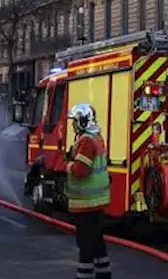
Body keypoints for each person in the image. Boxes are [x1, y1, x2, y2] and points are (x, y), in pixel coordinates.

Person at [64, 103, 111, 279]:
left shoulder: (86, 141)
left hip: (86, 205)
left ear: (83, 121)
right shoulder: (96, 137)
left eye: (74, 121)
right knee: (99, 247)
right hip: (97, 204)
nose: (72, 125)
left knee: (86, 249)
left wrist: (67, 165)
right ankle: (104, 276)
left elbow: (81, 171)